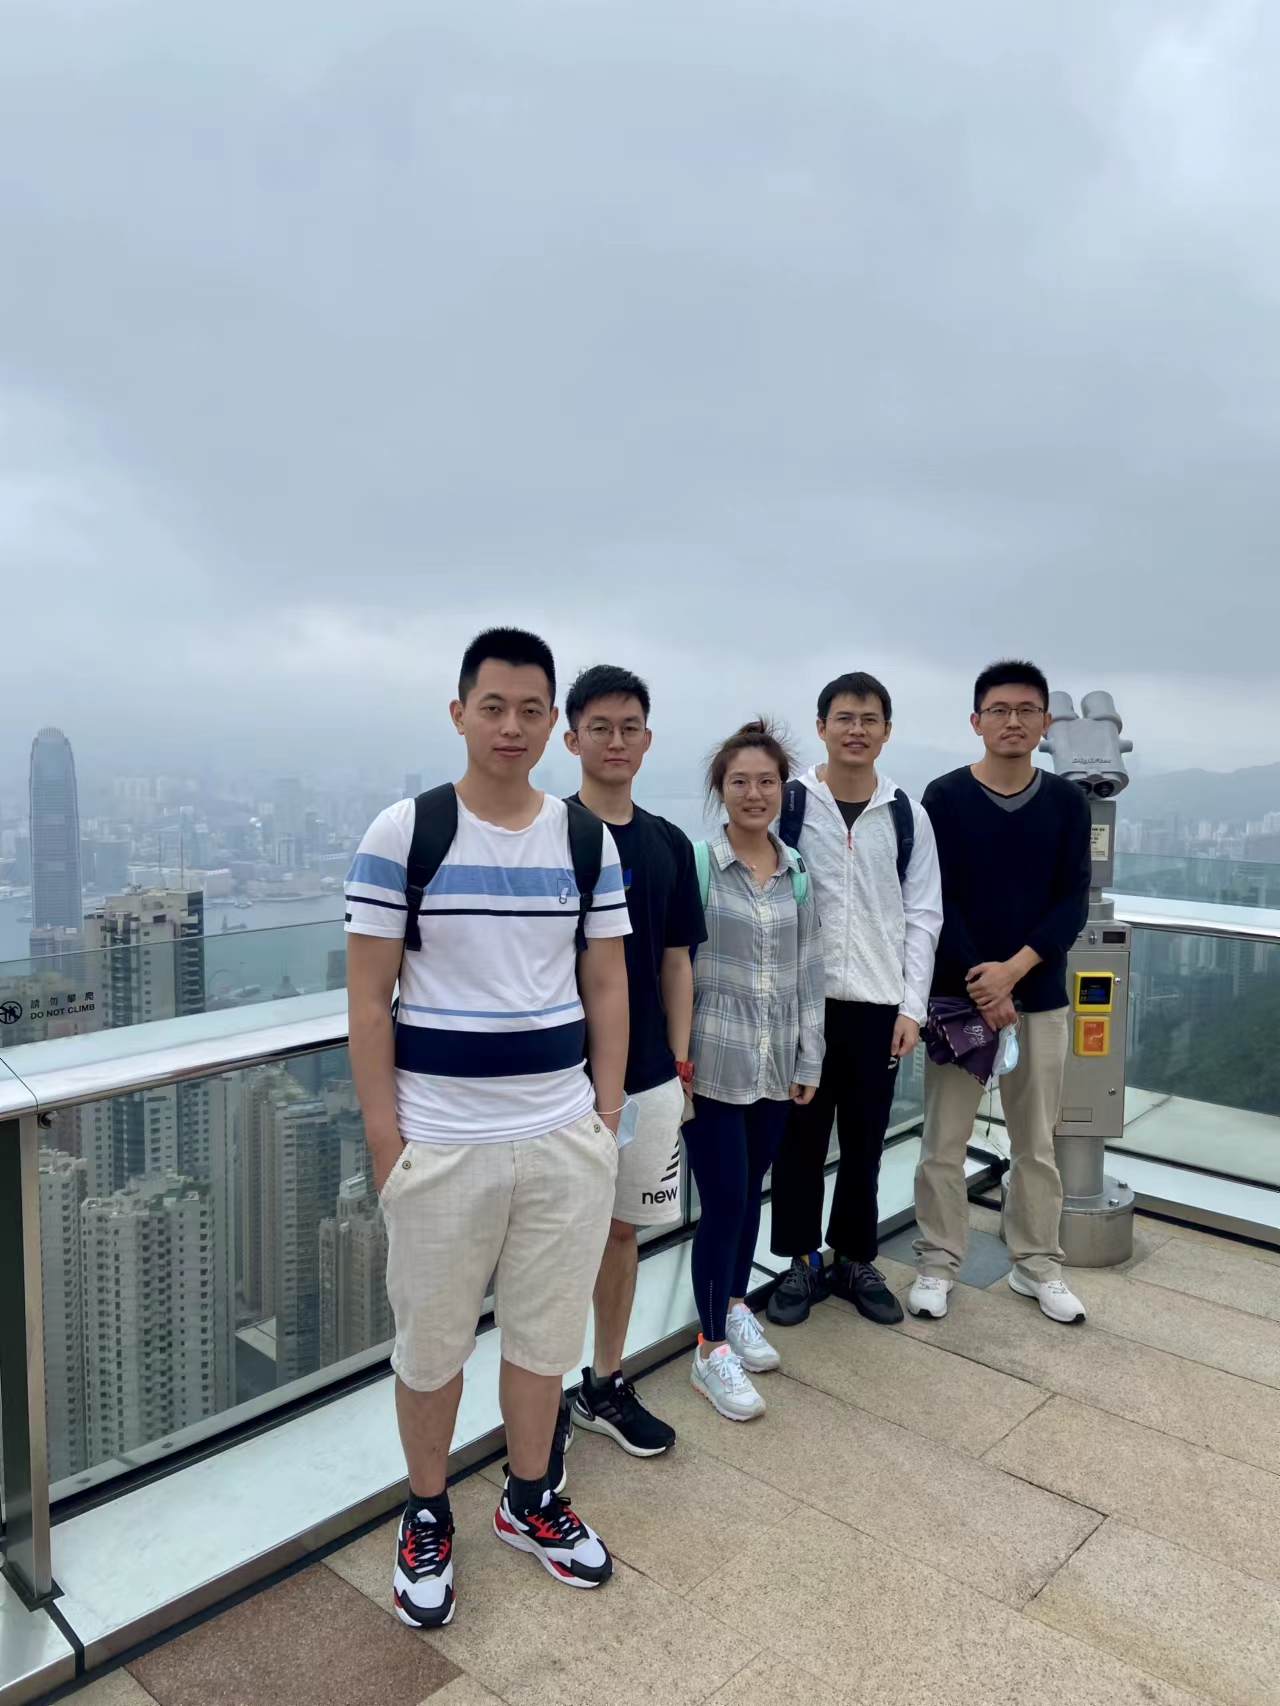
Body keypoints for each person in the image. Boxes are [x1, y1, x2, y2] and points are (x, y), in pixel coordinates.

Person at [345, 627, 631, 1629]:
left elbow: (606, 982)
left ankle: (529, 1496)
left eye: (530, 710)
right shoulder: (406, 832)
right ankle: (426, 1511)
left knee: (544, 1337)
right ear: (459, 712)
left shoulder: (584, 840)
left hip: (562, 1137)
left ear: (552, 724)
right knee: (430, 1349)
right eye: (493, 706)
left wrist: (602, 1118)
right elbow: (368, 1000)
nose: (512, 725)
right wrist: (388, 1144)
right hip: (439, 1142)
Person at [908, 659, 1091, 1327]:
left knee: (1036, 1142)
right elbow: (933, 897)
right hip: (959, 1001)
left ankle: (1037, 1263)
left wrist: (1012, 972)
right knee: (944, 1140)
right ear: (976, 721)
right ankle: (938, 1262)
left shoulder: (1067, 802)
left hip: (1038, 996)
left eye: (1026, 710)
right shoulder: (945, 797)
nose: (1012, 721)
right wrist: (986, 985)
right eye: (999, 710)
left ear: (1045, 722)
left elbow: (1072, 901)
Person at [558, 664, 706, 1460]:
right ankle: (536, 1394)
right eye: (600, 728)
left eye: (630, 728)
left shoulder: (668, 843)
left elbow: (678, 961)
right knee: (549, 1242)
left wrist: (679, 1065)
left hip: (648, 1074)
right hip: (555, 1079)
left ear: (647, 740)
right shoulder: (548, 833)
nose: (616, 741)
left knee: (621, 1234)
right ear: (571, 737)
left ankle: (603, 1382)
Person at [766, 671, 942, 1329]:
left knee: (866, 1142)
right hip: (803, 1006)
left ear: (886, 731)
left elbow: (923, 915)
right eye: (844, 718)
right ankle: (799, 1260)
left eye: (869, 719)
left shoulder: (905, 815)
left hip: (877, 1007)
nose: (856, 730)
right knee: (799, 1143)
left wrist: (911, 1008)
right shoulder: (789, 804)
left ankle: (854, 1259)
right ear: (821, 727)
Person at [686, 720, 826, 1420]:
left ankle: (735, 1305)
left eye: (766, 781)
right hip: (712, 1059)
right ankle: (709, 1347)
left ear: (782, 789)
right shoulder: (701, 866)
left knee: (749, 1194)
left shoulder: (796, 871)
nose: (753, 793)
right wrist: (674, 1061)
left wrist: (810, 1057)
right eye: (739, 781)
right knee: (725, 1203)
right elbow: (675, 968)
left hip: (774, 1061)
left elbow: (810, 971)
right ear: (721, 789)